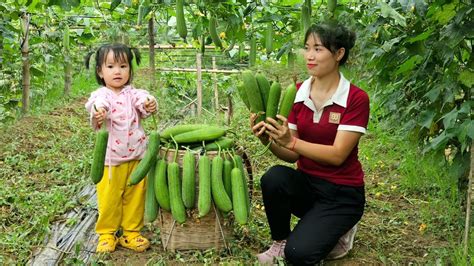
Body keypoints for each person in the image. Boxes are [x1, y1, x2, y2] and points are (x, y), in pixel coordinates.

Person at [252, 22, 369, 265]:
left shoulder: (356, 98)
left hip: (342, 194)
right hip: (308, 186)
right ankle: (280, 241)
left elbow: (337, 155)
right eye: (307, 48)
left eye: (318, 49)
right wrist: (268, 139)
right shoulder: (296, 93)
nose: (309, 56)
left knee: (299, 255)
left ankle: (341, 230)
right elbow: (291, 156)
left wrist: (292, 142)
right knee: (274, 178)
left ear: (339, 54)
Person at [84, 43, 157, 253]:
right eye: (110, 66)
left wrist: (150, 102)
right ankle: (107, 233)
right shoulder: (101, 95)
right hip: (110, 159)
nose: (117, 71)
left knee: (135, 196)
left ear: (130, 70)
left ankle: (131, 233)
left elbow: (144, 100)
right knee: (109, 199)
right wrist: (99, 111)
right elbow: (96, 104)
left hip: (136, 157)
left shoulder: (133, 93)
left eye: (123, 66)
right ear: (100, 71)